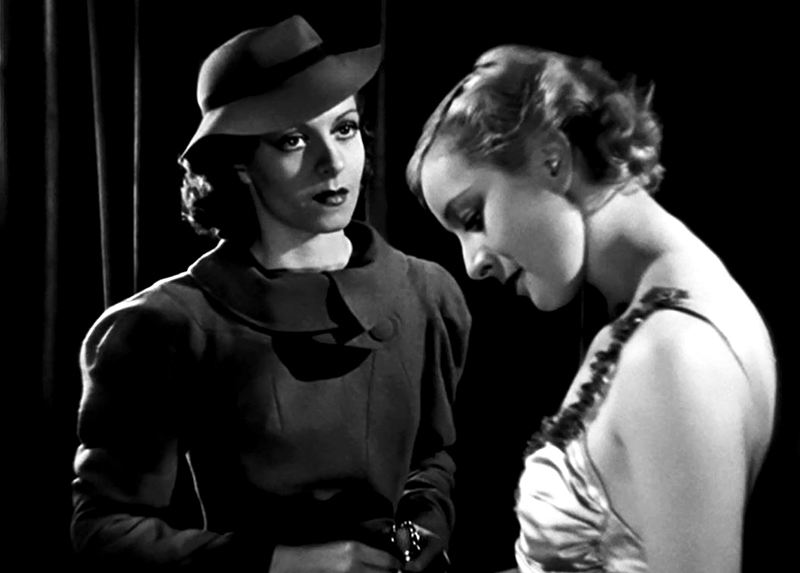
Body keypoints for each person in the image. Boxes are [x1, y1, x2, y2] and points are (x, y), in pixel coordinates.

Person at [70, 15, 470, 573]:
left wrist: (418, 530)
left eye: (345, 129)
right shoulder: (166, 326)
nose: (332, 162)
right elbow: (106, 530)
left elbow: (430, 459)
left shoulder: (427, 294)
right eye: (293, 140)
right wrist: (283, 562)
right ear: (240, 164)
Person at [406, 44, 777, 573]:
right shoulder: (656, 319)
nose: (473, 265)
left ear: (552, 160)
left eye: (473, 217)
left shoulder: (674, 351)